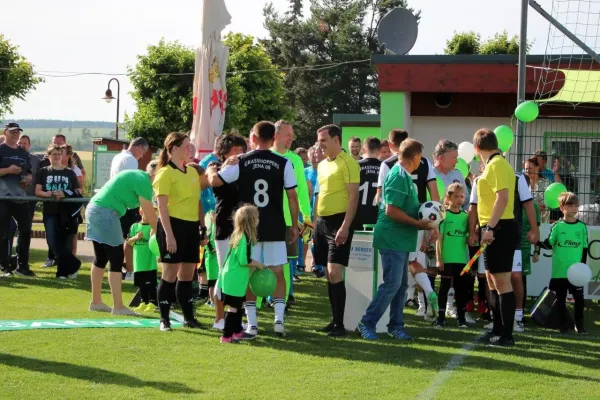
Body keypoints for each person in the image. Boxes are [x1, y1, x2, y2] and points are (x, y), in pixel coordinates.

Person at [210, 121, 298, 337]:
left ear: (254, 138)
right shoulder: (284, 162)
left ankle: (253, 324)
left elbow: (217, 182)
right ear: (274, 138)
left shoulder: (241, 161)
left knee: (247, 273)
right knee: (278, 273)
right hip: (275, 225)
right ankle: (278, 320)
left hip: (250, 227)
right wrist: (294, 225)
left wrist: (215, 167)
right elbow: (292, 196)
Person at [357, 139, 434, 340]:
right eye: (421, 158)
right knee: (392, 283)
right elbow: (391, 210)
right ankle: (367, 322)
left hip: (400, 238)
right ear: (415, 157)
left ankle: (395, 326)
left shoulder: (405, 175)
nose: (421, 162)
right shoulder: (399, 176)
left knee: (399, 285)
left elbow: (403, 206)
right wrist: (418, 224)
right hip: (392, 237)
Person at [153, 132, 206, 331]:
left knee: (187, 274)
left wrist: (202, 227)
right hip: (172, 226)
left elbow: (198, 202)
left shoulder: (192, 172)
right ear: (174, 149)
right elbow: (162, 208)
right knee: (170, 273)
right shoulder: (165, 173)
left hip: (191, 227)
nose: (189, 150)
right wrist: (169, 235)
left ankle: (188, 317)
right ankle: (164, 319)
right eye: (186, 146)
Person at [86, 168, 156, 315]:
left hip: (94, 209)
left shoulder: (138, 177)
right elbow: (149, 211)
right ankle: (118, 307)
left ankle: (96, 302)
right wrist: (159, 231)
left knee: (101, 257)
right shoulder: (144, 182)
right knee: (116, 257)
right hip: (105, 212)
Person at [472, 128, 519, 347]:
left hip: (500, 227)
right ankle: (497, 330)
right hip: (492, 227)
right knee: (491, 280)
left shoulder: (498, 164)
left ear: (476, 148)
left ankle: (506, 336)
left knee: (501, 281)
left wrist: (490, 226)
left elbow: (503, 198)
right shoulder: (493, 165)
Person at [313, 124, 360, 337]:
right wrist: (315, 223)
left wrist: (345, 226)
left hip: (339, 223)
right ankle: (334, 321)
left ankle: (341, 325)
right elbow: (321, 194)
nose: (320, 144)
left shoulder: (348, 163)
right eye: (319, 140)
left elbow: (353, 197)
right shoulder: (322, 165)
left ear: (336, 140)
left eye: (323, 140)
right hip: (322, 223)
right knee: (328, 275)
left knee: (335, 272)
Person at [205, 133, 247, 330]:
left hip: (241, 225)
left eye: (241, 149)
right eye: (235, 149)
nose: (239, 153)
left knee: (239, 272)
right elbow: (213, 181)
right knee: (224, 272)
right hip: (224, 224)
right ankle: (219, 318)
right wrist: (214, 168)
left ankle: (235, 316)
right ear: (224, 152)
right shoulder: (216, 168)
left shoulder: (244, 166)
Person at [271, 120, 311, 305]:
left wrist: (307, 216)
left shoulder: (295, 160)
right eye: (288, 134)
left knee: (286, 263)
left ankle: (283, 299)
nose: (292, 139)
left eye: (292, 135)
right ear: (276, 135)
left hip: (289, 221)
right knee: (264, 262)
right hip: (267, 221)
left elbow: (302, 191)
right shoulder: (265, 156)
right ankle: (263, 298)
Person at [537, 192, 587, 334]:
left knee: (579, 299)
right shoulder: (557, 227)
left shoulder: (582, 227)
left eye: (576, 205)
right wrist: (537, 243)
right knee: (560, 299)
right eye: (570, 205)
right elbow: (549, 244)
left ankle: (579, 325)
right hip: (559, 271)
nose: (574, 208)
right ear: (561, 207)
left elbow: (584, 248)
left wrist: (582, 267)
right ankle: (563, 325)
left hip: (576, 273)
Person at [218, 205, 266, 343]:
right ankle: (226, 336)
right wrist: (258, 264)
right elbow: (244, 260)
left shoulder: (241, 235)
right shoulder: (243, 238)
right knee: (233, 307)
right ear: (251, 220)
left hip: (236, 278)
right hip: (234, 278)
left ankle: (237, 331)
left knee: (238, 305)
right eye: (256, 218)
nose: (258, 220)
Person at [35, 145, 82, 279]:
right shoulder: (43, 172)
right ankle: (74, 264)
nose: (56, 156)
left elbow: (78, 191)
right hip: (50, 210)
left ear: (62, 156)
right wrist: (47, 194)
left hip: (66, 212)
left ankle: (62, 272)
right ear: (48, 156)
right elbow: (37, 191)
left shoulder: (69, 172)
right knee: (52, 242)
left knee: (65, 242)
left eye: (58, 154)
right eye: (53, 154)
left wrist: (64, 193)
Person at [0, 123, 34, 277]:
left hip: (20, 197)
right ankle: (4, 267)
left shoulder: (23, 152)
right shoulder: (1, 149)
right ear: (5, 132)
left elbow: (29, 173)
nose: (15, 135)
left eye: (17, 132)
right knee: (3, 233)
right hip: (3, 197)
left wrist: (27, 179)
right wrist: (8, 170)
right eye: (12, 132)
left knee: (26, 231)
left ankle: (23, 267)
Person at [435, 183, 470, 328]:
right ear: (449, 198)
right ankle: (441, 318)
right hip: (447, 258)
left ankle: (461, 319)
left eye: (462, 197)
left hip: (461, 259)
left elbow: (468, 237)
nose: (460, 200)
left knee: (461, 290)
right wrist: (439, 259)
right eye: (456, 196)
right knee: (444, 288)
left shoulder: (465, 217)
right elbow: (439, 239)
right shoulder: (444, 215)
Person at [8, 134, 40, 261]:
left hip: (29, 201)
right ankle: (7, 257)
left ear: (29, 145)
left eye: (25, 143)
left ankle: (21, 260)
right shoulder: (11, 157)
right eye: (20, 143)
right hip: (11, 199)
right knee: (9, 229)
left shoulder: (36, 160)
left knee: (25, 230)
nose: (22, 145)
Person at [126, 207, 158, 313]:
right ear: (140, 212)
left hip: (150, 263)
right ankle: (143, 302)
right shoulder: (135, 226)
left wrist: (153, 235)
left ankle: (153, 303)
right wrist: (136, 238)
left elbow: (157, 243)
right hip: (138, 263)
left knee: (151, 285)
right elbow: (129, 241)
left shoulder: (153, 227)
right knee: (141, 285)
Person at [356, 137, 382, 229]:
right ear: (379, 151)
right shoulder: (385, 167)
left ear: (363, 150)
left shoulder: (355, 165)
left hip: (358, 214)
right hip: (378, 215)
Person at [524, 157, 552, 223]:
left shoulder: (547, 183)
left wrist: (544, 207)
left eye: (530, 168)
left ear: (537, 168)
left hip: (543, 221)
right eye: (526, 169)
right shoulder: (523, 184)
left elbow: (551, 201)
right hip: (526, 222)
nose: (528, 171)